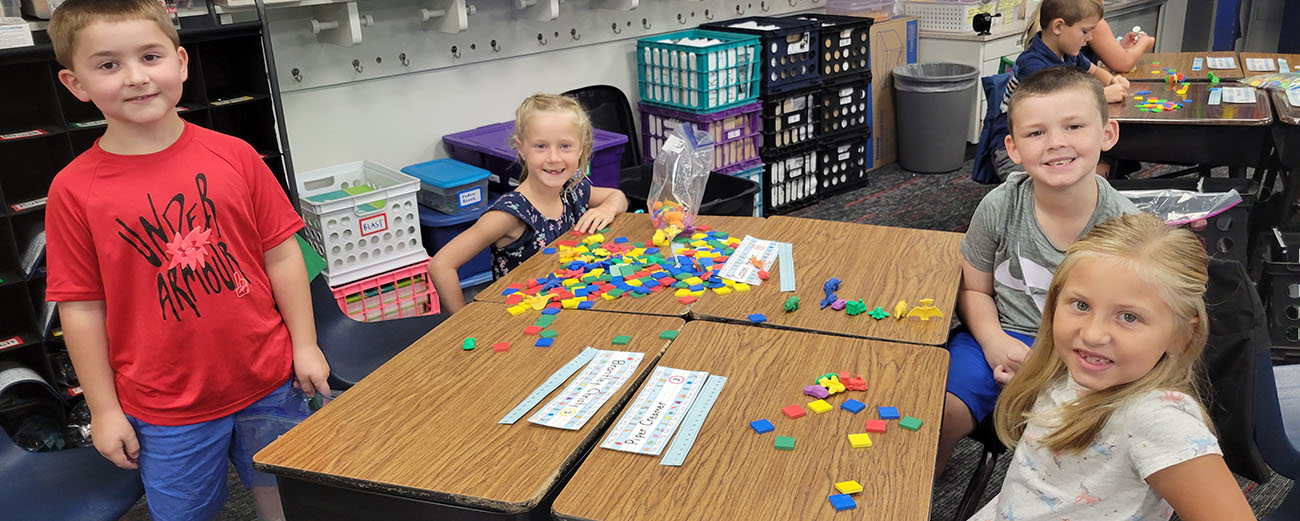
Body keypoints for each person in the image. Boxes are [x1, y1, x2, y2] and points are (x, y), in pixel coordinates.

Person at [43, 1, 330, 520]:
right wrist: (104, 410)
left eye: (149, 56)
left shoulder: (235, 155)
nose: (135, 77)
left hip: (268, 379)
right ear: (75, 82)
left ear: (180, 62)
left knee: (288, 493)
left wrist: (305, 345)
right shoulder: (74, 190)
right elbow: (81, 308)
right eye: (108, 65)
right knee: (184, 512)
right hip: (164, 406)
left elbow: (284, 255)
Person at [969, 213, 1256, 521]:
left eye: (1128, 317)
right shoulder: (1075, 367)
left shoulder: (1158, 421)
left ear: (1181, 335)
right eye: (1081, 305)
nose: (1092, 334)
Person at [937, 66, 1141, 475]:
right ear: (1012, 148)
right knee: (937, 411)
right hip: (1002, 336)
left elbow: (1130, 326)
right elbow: (974, 291)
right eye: (1036, 133)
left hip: (1087, 350)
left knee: (1100, 445)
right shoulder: (999, 205)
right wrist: (994, 341)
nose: (1056, 143)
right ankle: (908, 497)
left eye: (1074, 126)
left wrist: (1060, 367)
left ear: (1107, 134)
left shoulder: (1127, 228)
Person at [430, 93, 628, 314]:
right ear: (521, 148)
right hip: (520, 325)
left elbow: (617, 197)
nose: (554, 158)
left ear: (581, 147)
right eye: (541, 146)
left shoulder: (572, 190)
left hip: (571, 310)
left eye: (565, 146)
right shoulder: (509, 214)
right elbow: (441, 265)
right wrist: (463, 323)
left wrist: (607, 208)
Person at [979, 0, 1130, 181]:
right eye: (1085, 31)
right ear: (1058, 27)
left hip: (1052, 137)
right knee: (1048, 187)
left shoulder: (1069, 54)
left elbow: (1095, 70)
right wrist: (1103, 95)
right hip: (1018, 146)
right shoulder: (1032, 64)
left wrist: (1112, 80)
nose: (1089, 39)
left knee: (1103, 157)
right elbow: (1057, 105)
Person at [1082, 19, 1156, 73]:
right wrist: (1144, 43)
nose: (1090, 38)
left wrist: (1119, 49)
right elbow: (1124, 63)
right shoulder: (1093, 20)